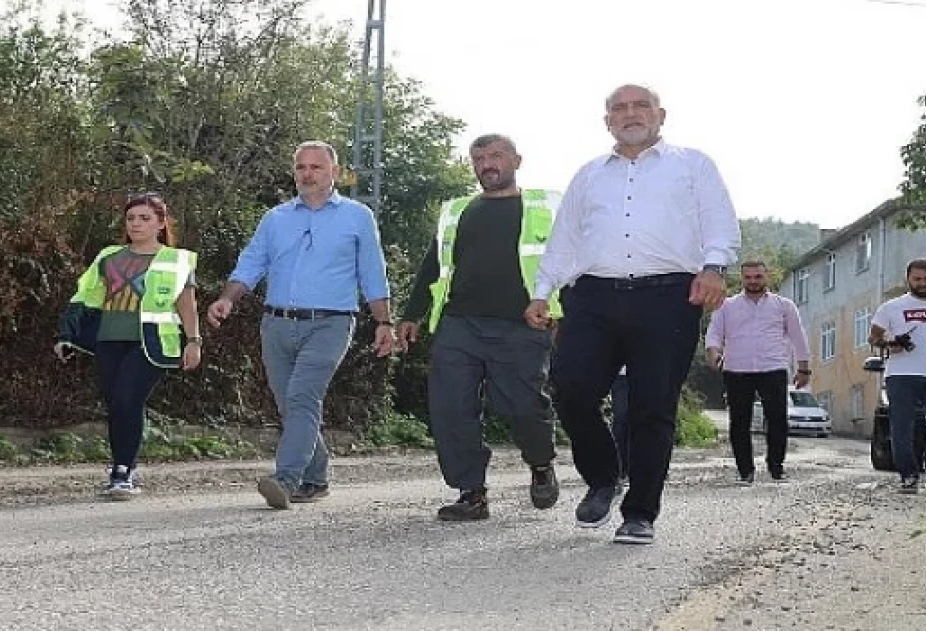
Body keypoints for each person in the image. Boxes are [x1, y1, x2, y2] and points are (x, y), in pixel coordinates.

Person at [525, 84, 741, 545]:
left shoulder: (693, 165)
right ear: (607, 121)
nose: (630, 114)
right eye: (618, 108)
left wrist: (714, 267)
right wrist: (542, 292)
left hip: (668, 298)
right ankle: (604, 476)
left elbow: (720, 221)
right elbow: (564, 239)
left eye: (640, 105)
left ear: (661, 115)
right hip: (592, 297)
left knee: (651, 405)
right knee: (571, 387)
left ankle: (640, 511)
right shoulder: (588, 176)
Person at [206, 140, 395, 509]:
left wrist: (384, 321)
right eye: (301, 167)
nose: (308, 174)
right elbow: (251, 262)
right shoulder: (275, 218)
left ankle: (286, 479)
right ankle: (316, 476)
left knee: (303, 397)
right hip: (276, 323)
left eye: (316, 167)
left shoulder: (357, 217)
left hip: (330, 324)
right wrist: (227, 298)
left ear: (334, 173)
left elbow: (373, 272)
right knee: (291, 407)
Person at [396, 133, 562, 521]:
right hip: (460, 324)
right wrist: (411, 314)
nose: (488, 164)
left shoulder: (546, 208)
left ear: (516, 161)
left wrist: (570, 315)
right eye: (479, 158)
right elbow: (433, 265)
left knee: (521, 405)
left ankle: (540, 462)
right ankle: (471, 493)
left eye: (496, 156)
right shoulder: (457, 211)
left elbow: (570, 262)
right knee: (452, 408)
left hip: (522, 325)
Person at [55, 192, 202, 500]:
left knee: (127, 399)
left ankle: (123, 470)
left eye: (145, 218)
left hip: (152, 341)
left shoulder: (175, 260)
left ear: (161, 223)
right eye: (131, 218)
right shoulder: (109, 256)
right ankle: (121, 466)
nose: (136, 224)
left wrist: (193, 341)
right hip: (109, 338)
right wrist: (67, 334)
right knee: (116, 405)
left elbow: (185, 303)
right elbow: (86, 296)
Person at [704, 260, 811, 484]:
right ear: (742, 279)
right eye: (748, 277)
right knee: (739, 421)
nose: (753, 282)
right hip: (737, 369)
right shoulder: (726, 306)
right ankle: (745, 471)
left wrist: (804, 369)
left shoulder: (784, 306)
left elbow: (798, 337)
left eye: (758, 277)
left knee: (777, 420)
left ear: (766, 277)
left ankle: (776, 467)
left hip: (772, 368)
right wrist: (713, 352)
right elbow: (714, 333)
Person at [869, 258, 926, 493]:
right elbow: (874, 338)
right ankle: (909, 475)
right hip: (901, 374)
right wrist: (889, 343)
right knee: (901, 427)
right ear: (908, 279)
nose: (923, 283)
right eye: (917, 279)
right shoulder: (891, 307)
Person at [611, 366, 629, 484]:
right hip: (620, 375)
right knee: (621, 420)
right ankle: (620, 470)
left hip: (646, 371)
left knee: (646, 420)